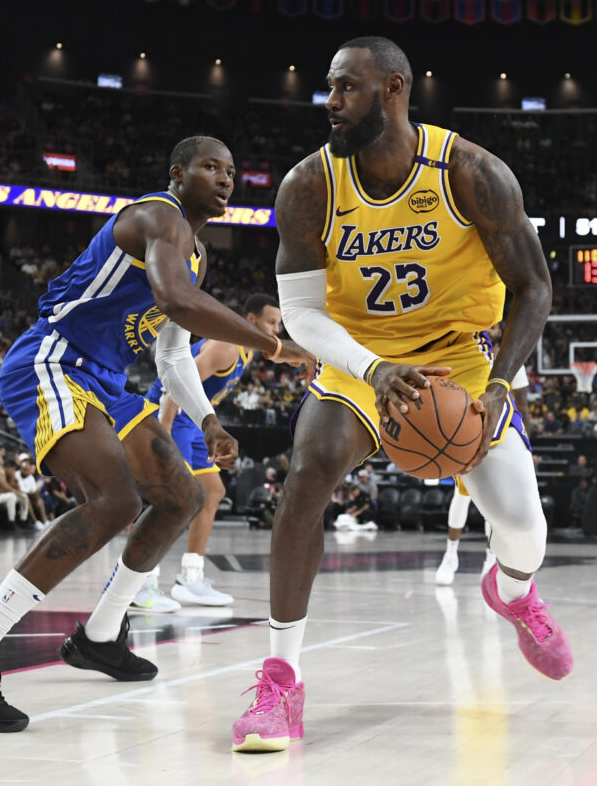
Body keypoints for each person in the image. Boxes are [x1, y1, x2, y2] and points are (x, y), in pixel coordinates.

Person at [229, 37, 570, 753]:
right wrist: (374, 369)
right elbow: (302, 314)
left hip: (462, 364)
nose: (329, 102)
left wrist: (504, 382)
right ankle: (280, 681)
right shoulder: (308, 186)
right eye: (328, 86)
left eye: (345, 88)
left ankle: (513, 594)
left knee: (525, 529)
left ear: (392, 90)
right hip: (360, 360)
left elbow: (534, 286)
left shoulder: (473, 173)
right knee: (307, 474)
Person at [0, 136, 310, 734]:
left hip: (104, 380)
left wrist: (209, 421)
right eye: (211, 167)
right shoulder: (157, 216)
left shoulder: (197, 254)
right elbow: (177, 300)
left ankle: (99, 635)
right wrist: (275, 345)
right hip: (54, 359)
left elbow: (174, 354)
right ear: (178, 173)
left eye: (231, 172)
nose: (226, 179)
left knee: (184, 497)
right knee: (116, 500)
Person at [139, 293, 287, 610]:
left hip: (191, 423)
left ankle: (190, 578)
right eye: (271, 322)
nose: (276, 330)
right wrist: (164, 425)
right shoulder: (226, 347)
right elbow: (175, 380)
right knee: (173, 499)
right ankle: (141, 583)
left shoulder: (248, 351)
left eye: (279, 324)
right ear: (250, 320)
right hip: (171, 413)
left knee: (212, 491)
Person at [435, 367, 530, 585]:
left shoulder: (514, 360)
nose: (493, 329)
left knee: (494, 502)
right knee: (461, 495)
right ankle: (450, 555)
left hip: (501, 431)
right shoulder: (469, 344)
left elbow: (524, 405)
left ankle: (490, 559)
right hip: (464, 428)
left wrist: (526, 447)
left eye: (496, 328)